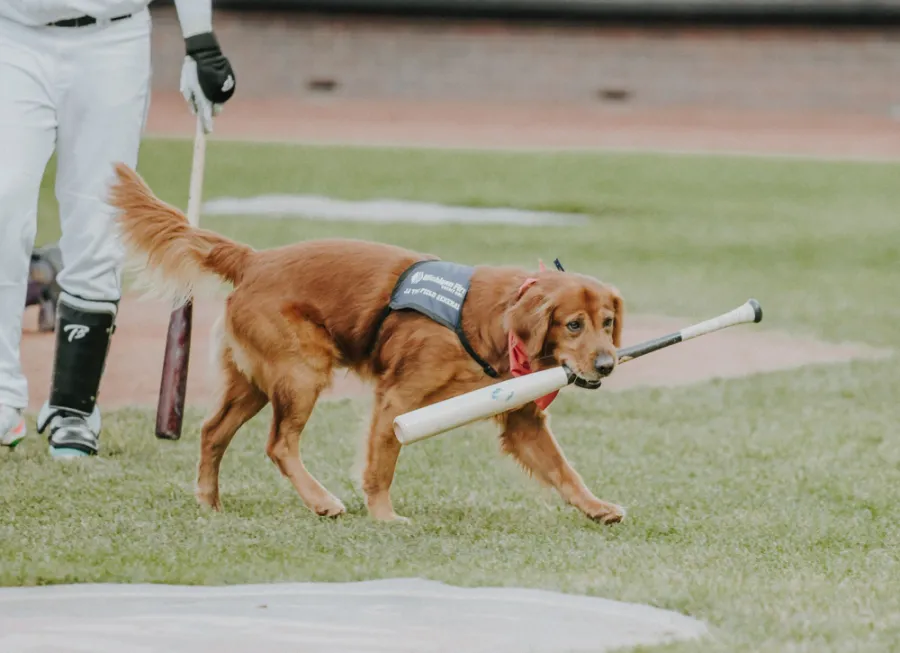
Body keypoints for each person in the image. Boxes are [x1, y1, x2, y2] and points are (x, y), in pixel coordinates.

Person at [0, 0, 236, 457]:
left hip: (112, 40)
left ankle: (73, 408)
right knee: (2, 201)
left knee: (98, 217)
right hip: (14, 35)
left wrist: (200, 43)